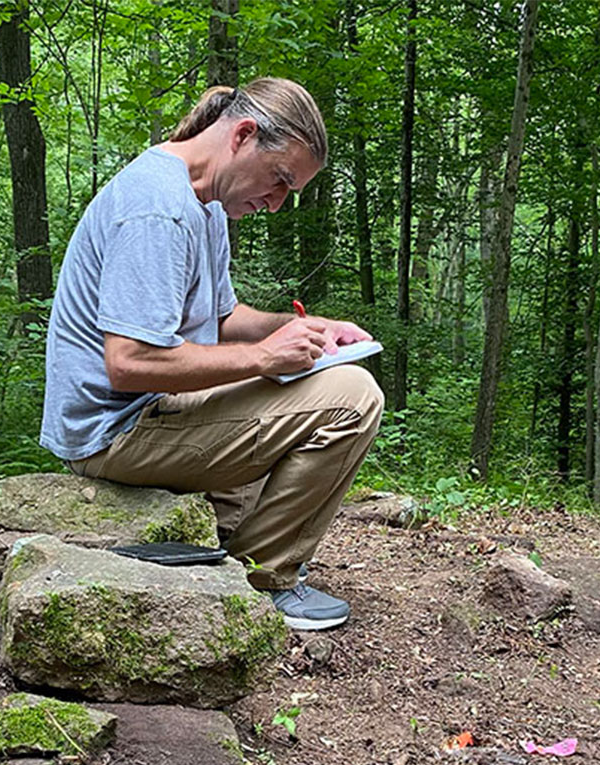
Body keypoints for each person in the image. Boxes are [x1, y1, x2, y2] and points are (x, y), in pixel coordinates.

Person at [41, 77, 384, 631]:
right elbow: (128, 363)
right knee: (354, 399)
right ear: (243, 135)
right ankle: (263, 580)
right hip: (113, 431)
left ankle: (219, 542)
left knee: (310, 378)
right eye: (279, 181)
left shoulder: (204, 204)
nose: (275, 204)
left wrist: (304, 328)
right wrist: (263, 359)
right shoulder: (158, 207)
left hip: (152, 410)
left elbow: (222, 319)